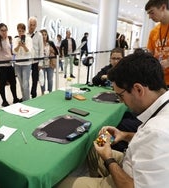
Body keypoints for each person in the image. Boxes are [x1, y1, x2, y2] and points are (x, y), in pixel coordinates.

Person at [57, 51, 169, 188]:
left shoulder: (157, 130)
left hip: (127, 182)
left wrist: (108, 159)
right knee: (93, 147)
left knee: (60, 184)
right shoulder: (161, 111)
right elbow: (148, 141)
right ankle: (97, 177)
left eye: (120, 96)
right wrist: (124, 135)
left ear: (139, 90)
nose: (122, 102)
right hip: (131, 164)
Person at [0, 23, 21, 107]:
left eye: (5, 30)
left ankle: (15, 98)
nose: (4, 32)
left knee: (13, 82)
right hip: (0, 66)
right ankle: (4, 101)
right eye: (2, 30)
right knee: (2, 83)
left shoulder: (7, 39)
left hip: (9, 65)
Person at [145, 0, 169, 87]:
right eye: (148, 14)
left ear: (163, 7)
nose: (150, 17)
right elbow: (150, 54)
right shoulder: (154, 32)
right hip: (158, 80)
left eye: (152, 12)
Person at [13, 23, 33, 101]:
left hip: (26, 64)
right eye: (19, 31)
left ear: (24, 31)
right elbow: (14, 52)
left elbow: (29, 52)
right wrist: (18, 45)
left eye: (22, 31)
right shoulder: (16, 40)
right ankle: (24, 99)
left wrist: (24, 46)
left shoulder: (29, 39)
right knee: (21, 84)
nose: (20, 33)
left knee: (25, 84)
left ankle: (27, 100)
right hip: (17, 64)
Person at [27, 16, 44, 98]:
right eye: (30, 24)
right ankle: (26, 94)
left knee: (35, 79)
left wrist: (40, 63)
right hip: (26, 61)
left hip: (36, 61)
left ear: (36, 25)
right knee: (26, 80)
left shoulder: (39, 35)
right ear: (28, 24)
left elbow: (41, 49)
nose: (32, 26)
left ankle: (33, 93)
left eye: (33, 25)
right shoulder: (25, 35)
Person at [39, 29, 58, 95]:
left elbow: (57, 53)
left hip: (50, 64)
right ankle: (43, 94)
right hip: (41, 65)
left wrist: (52, 51)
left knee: (50, 80)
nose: (44, 36)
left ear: (47, 35)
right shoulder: (39, 44)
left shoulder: (50, 43)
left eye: (45, 35)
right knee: (42, 80)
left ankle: (50, 93)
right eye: (42, 35)